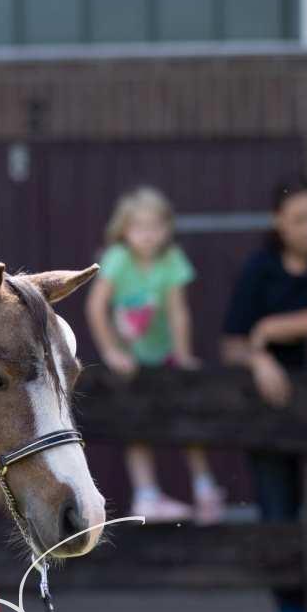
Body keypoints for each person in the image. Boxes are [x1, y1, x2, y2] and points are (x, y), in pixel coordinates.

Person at [222, 176, 307, 612]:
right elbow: (232, 343)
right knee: (276, 510)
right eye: (299, 219)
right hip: (272, 414)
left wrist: (270, 330)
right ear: (279, 222)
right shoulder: (259, 269)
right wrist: (259, 358)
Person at [86, 186, 224, 524]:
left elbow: (178, 311)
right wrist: (111, 352)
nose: (148, 235)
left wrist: (182, 354)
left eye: (155, 227)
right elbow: (96, 308)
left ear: (167, 229)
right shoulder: (117, 259)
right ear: (124, 230)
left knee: (188, 418)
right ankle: (146, 493)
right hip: (130, 359)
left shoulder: (171, 260)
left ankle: (204, 487)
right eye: (139, 227)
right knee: (136, 423)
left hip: (163, 355)